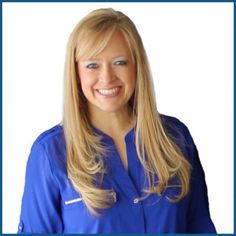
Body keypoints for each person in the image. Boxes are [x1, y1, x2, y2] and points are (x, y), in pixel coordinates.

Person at [17, 8, 216, 233]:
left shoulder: (177, 139)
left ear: (136, 66)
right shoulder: (50, 153)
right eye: (92, 65)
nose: (107, 77)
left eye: (120, 62)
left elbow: (200, 225)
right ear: (76, 73)